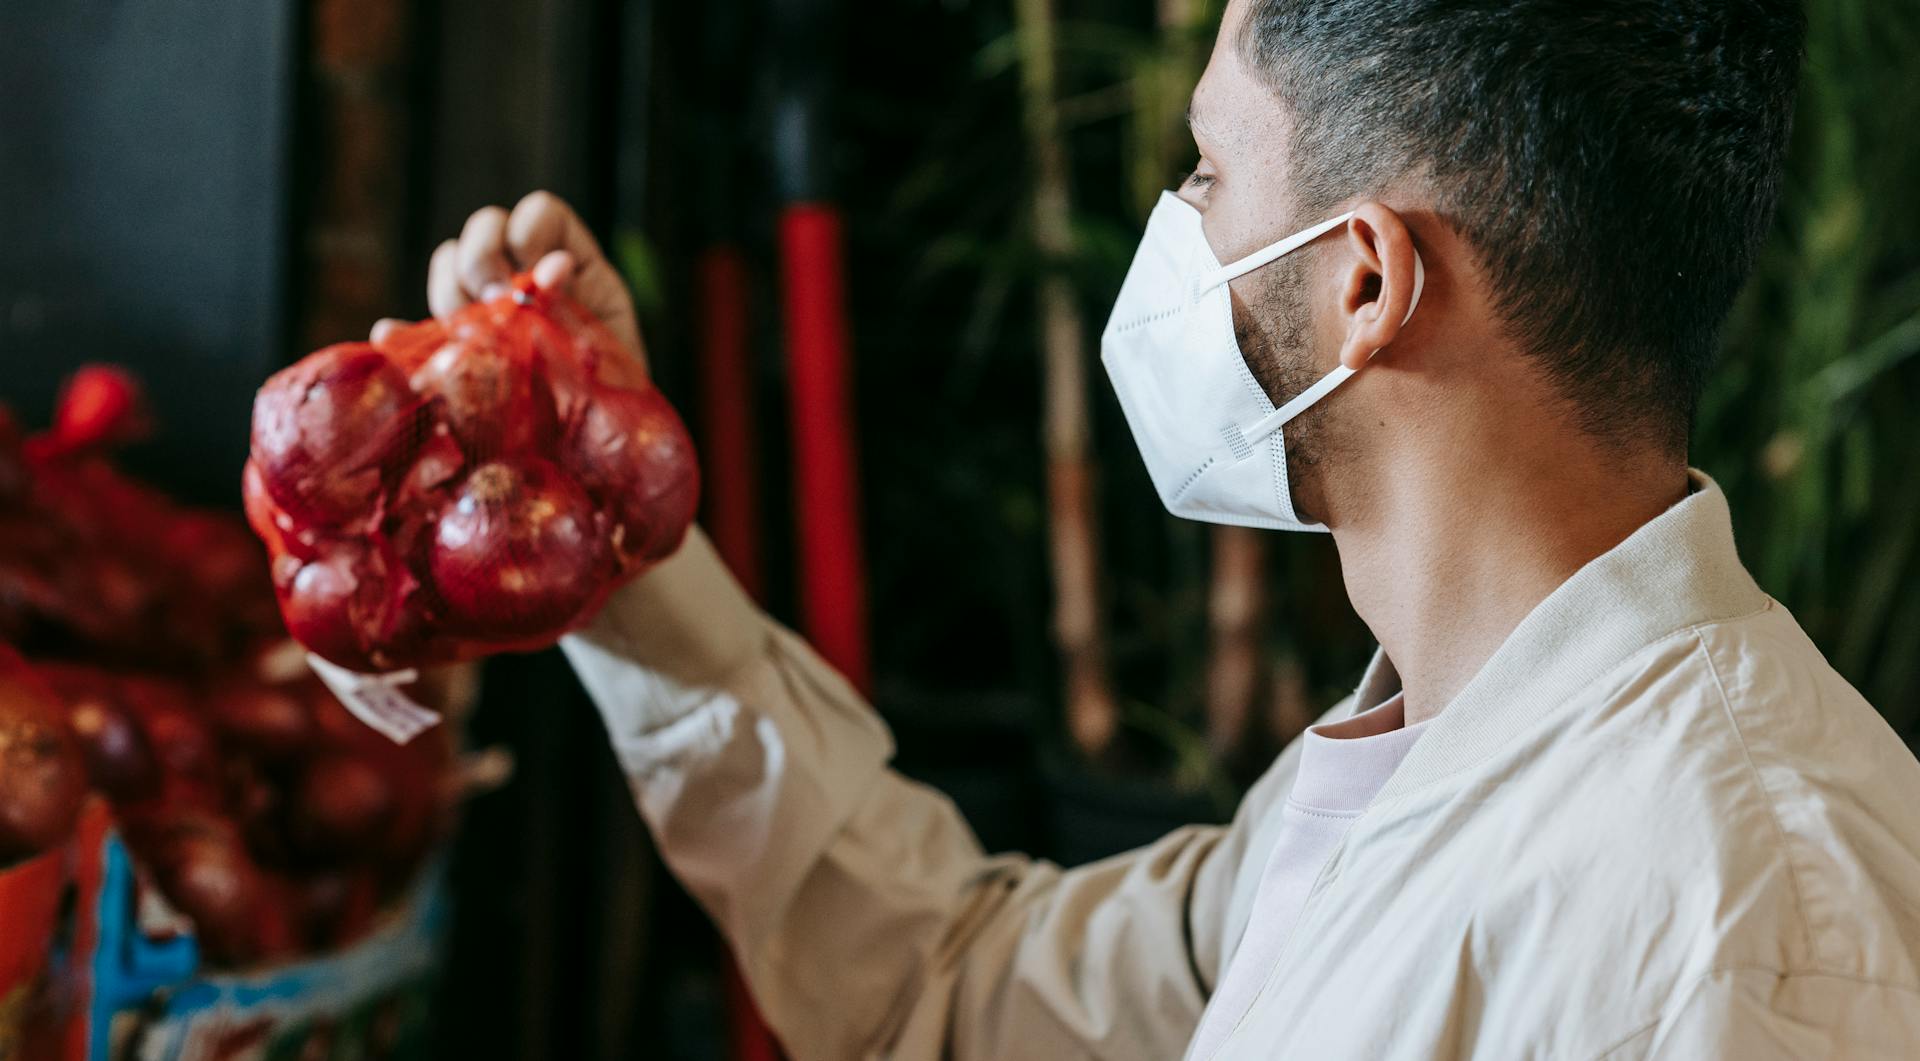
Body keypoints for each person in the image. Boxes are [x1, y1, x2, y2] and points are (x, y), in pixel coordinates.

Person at [412, 0, 1920, 1056]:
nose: (1177, 226)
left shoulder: (1746, 935)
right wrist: (606, 516)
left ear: (1368, 283)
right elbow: (961, 988)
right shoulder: (1425, 760)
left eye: (1207, 169)